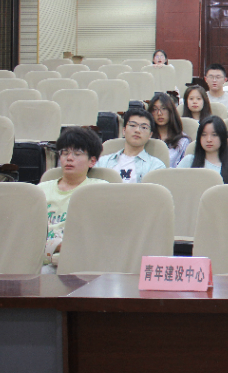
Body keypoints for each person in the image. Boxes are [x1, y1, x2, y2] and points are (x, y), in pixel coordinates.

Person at [40, 127, 107, 271]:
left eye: (77, 154)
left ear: (92, 161)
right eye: (65, 153)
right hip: (41, 258)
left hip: (80, 261)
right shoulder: (41, 190)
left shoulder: (99, 189)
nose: (69, 158)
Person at [95, 107, 166, 182]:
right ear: (124, 130)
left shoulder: (156, 166)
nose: (137, 130)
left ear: (150, 135)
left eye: (144, 127)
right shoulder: (102, 162)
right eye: (132, 125)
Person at [178, 115, 228, 184]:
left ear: (222, 137)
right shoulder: (189, 161)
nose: (208, 140)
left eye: (214, 135)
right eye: (204, 135)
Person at [148, 92, 191, 167]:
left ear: (171, 111)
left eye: (164, 108)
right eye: (155, 109)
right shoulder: (147, 138)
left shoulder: (183, 141)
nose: (159, 113)